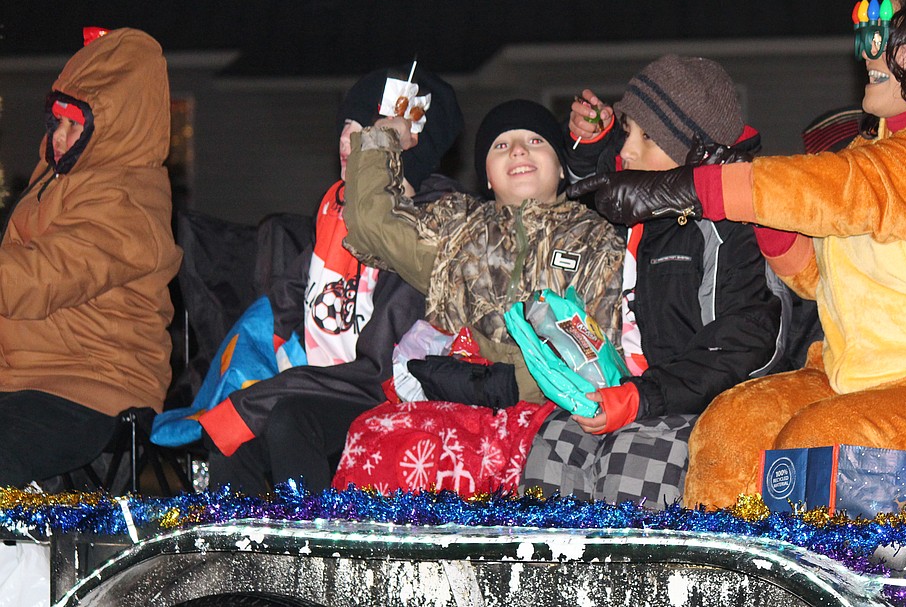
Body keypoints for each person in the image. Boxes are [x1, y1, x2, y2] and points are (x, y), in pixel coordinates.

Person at [573, 0, 906, 509]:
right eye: (865, 31)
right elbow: (816, 277)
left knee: (817, 447)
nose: (868, 50)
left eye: (885, 34)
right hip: (861, 383)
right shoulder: (872, 154)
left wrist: (687, 187)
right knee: (732, 429)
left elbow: (839, 189)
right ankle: (728, 592)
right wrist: (760, 214)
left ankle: (818, 594)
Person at [519, 55, 787, 507]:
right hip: (633, 390)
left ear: (693, 148)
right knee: (557, 444)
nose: (627, 150)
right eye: (627, 133)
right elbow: (599, 187)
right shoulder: (647, 205)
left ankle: (633, 580)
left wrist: (642, 399)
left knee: (634, 463)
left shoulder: (731, 223)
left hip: (700, 402)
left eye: (646, 137)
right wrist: (595, 141)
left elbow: (743, 344)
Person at [200, 65, 463, 496]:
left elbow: (379, 372)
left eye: (367, 129)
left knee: (284, 417)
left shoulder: (429, 225)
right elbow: (293, 287)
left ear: (402, 145)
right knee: (234, 441)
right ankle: (243, 560)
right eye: (346, 125)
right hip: (328, 387)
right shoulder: (336, 209)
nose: (346, 140)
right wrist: (281, 349)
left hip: (392, 396)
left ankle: (313, 559)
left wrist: (269, 393)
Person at [343, 98, 625, 404]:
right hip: (453, 416)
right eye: (501, 146)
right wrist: (384, 137)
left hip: (557, 421)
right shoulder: (456, 228)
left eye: (535, 140)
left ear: (560, 168)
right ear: (487, 176)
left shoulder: (594, 237)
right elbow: (373, 223)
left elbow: (600, 353)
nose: (518, 150)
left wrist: (507, 382)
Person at [0, 28, 182, 487]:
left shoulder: (127, 201)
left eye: (75, 125)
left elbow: (41, 278)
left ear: (113, 127)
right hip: (25, 375)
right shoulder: (59, 180)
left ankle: (22, 559)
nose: (60, 137)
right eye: (56, 122)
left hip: (91, 385)